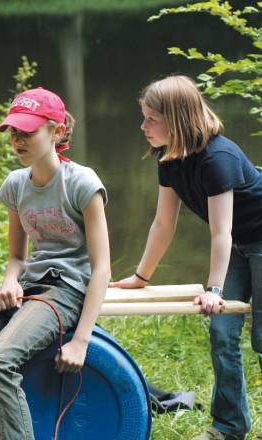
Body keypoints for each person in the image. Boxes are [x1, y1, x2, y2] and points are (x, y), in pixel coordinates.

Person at [0, 88, 110, 440]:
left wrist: (81, 340)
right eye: (14, 131)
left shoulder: (82, 183)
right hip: (30, 287)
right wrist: (9, 280)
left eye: (27, 132)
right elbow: (17, 257)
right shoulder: (17, 184)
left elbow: (102, 268)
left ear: (57, 131)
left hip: (67, 291)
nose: (17, 140)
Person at [110, 75, 262, 440]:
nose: (142, 126)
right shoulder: (169, 158)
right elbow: (163, 223)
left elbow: (219, 232)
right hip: (238, 245)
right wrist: (141, 277)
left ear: (176, 118)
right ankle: (229, 427)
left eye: (151, 119)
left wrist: (214, 288)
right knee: (222, 333)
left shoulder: (217, 159)